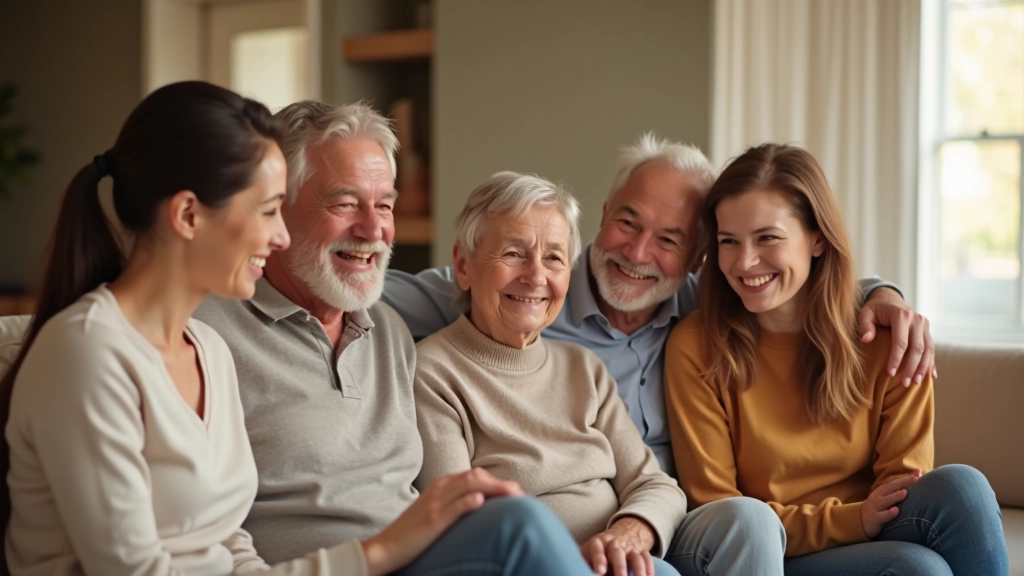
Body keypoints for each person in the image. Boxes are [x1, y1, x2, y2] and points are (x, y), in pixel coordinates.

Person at [382, 134, 935, 575]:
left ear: (697, 259)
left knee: (908, 537)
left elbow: (798, 283)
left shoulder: (701, 309)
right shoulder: (492, 314)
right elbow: (367, 287)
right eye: (628, 222)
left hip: (659, 525)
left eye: (669, 240)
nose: (639, 252)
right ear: (604, 216)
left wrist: (881, 295)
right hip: (562, 548)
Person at [193, 100, 595, 576]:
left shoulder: (389, 330)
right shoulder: (206, 334)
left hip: (425, 561)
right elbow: (201, 530)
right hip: (321, 568)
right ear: (276, 208)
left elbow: (486, 293)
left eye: (384, 205)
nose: (374, 229)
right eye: (345, 204)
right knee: (520, 523)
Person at [0, 80, 349, 574]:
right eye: (269, 210)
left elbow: (228, 542)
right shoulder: (84, 353)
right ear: (187, 214)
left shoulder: (210, 348)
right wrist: (372, 557)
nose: (281, 237)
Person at [663, 143, 1008, 575]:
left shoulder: (891, 339)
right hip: (768, 549)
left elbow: (906, 483)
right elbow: (720, 510)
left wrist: (863, 519)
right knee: (917, 569)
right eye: (729, 241)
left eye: (767, 237)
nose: (745, 262)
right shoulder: (696, 346)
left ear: (818, 239)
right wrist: (850, 518)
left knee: (963, 487)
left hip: (873, 528)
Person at [414, 171, 689, 576]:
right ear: (463, 265)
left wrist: (627, 534)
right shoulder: (433, 372)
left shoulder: (583, 367)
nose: (536, 277)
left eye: (554, 258)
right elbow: (464, 526)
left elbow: (656, 485)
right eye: (513, 253)